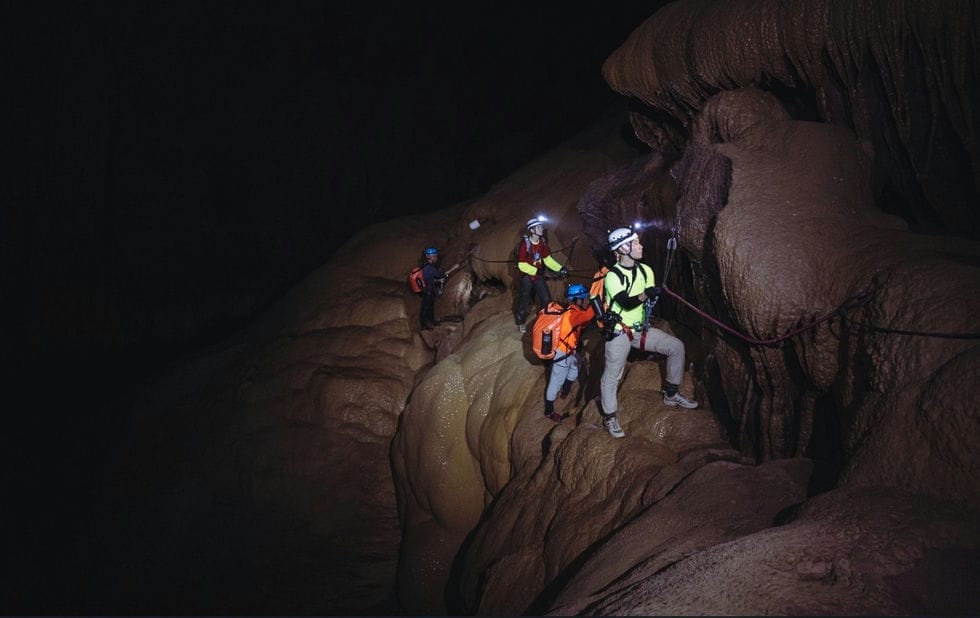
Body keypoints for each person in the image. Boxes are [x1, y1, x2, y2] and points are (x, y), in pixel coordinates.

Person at [599, 227, 697, 439]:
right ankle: (610, 416)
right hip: (620, 332)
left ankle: (671, 393)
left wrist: (655, 296)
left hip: (640, 330)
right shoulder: (612, 276)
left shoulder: (646, 270)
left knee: (676, 347)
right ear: (623, 248)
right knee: (612, 375)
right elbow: (625, 302)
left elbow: (649, 299)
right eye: (635, 243)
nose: (640, 246)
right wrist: (646, 294)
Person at [544, 283, 596, 422]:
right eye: (584, 298)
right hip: (563, 352)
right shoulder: (573, 314)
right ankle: (549, 411)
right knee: (556, 381)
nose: (585, 301)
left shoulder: (572, 312)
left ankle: (565, 390)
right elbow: (589, 315)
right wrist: (597, 300)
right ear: (577, 300)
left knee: (577, 365)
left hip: (569, 350)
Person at [515, 216, 567, 333]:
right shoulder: (525, 245)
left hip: (538, 275)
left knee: (546, 299)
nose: (541, 229)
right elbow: (521, 265)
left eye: (540, 226)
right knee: (524, 299)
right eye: (537, 227)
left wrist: (560, 268)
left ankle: (547, 320)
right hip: (527, 276)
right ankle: (521, 322)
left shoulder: (542, 243)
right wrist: (535, 271)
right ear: (532, 230)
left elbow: (547, 259)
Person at [419, 246, 447, 330]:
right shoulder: (429, 268)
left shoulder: (426, 266)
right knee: (426, 308)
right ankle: (424, 326)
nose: (436, 258)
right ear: (430, 257)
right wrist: (448, 272)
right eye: (435, 256)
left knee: (430, 307)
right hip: (428, 291)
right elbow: (439, 275)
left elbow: (430, 277)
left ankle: (432, 321)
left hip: (428, 290)